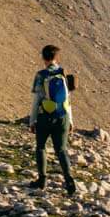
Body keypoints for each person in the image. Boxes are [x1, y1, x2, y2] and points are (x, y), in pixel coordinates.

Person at [30, 44, 77, 196]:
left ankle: (42, 180)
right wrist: (70, 121)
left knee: (41, 147)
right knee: (61, 150)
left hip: (45, 117)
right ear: (57, 58)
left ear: (43, 58)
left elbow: (36, 100)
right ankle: (69, 180)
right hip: (62, 116)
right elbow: (68, 99)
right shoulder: (63, 74)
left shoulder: (41, 75)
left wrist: (32, 121)